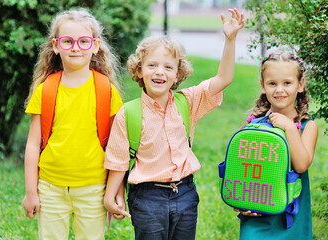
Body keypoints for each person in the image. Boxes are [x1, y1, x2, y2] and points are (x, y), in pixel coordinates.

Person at [103, 8, 245, 240]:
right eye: (152, 65)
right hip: (147, 198)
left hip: (186, 194)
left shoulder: (187, 102)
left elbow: (224, 79)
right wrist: (111, 197)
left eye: (168, 67)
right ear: (139, 70)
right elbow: (118, 161)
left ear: (178, 74)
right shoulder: (128, 113)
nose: (160, 72)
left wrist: (230, 39)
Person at [22, 8, 123, 240]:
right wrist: (31, 192)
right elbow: (32, 145)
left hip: (94, 188)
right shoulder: (46, 89)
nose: (76, 47)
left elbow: (117, 147)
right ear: (56, 46)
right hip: (50, 188)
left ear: (95, 45)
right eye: (67, 41)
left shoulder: (106, 89)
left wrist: (117, 191)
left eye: (84, 41)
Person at [237, 52, 319, 239]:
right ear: (263, 86)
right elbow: (237, 166)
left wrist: (290, 128)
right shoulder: (253, 125)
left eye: (287, 83)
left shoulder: (308, 127)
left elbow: (301, 165)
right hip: (257, 214)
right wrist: (240, 202)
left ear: (300, 85)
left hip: (290, 218)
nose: (279, 90)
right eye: (272, 83)